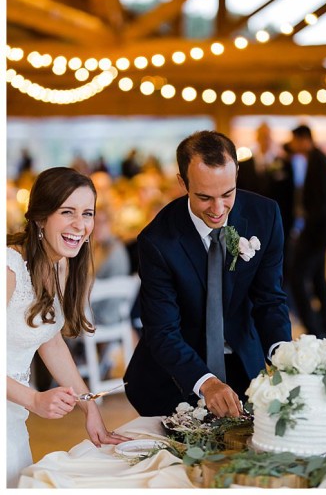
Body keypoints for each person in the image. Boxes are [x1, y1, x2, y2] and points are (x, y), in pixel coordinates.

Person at [123, 131, 291, 418]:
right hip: (174, 377)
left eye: (228, 194)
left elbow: (269, 300)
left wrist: (284, 357)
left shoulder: (265, 215)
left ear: (236, 172)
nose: (218, 209)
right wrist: (207, 383)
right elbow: (162, 331)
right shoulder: (157, 241)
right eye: (204, 197)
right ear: (182, 183)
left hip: (244, 365)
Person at [7, 168, 128, 485]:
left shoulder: (52, 265)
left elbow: (51, 341)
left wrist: (90, 408)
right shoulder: (9, 267)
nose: (81, 224)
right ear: (40, 217)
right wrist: (34, 399)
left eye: (87, 213)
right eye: (67, 212)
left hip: (12, 415)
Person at [288, 126, 326, 341]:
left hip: (316, 233)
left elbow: (322, 201)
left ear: (303, 139)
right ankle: (324, 330)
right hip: (319, 232)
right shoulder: (315, 158)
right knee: (319, 280)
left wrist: (306, 227)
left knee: (298, 277)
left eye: (295, 141)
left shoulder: (317, 161)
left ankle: (314, 327)